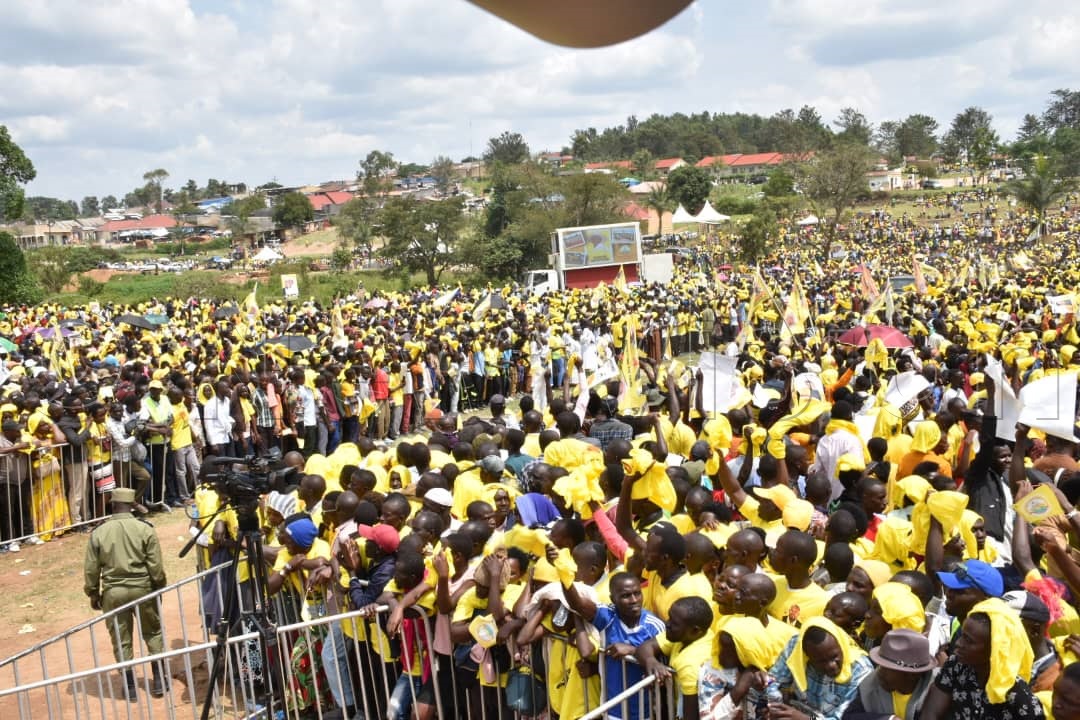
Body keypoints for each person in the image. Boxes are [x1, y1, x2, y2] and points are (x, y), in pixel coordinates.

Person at [82, 487, 167, 700]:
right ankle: (158, 680)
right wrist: (159, 587)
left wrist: (93, 593)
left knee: (121, 638)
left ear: (113, 504)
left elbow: (91, 568)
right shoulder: (145, 528)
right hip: (143, 588)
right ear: (132, 506)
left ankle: (129, 686)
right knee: (153, 632)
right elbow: (155, 566)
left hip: (113, 591)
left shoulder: (99, 532)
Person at [921, 599, 1044, 720]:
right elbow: (931, 713)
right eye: (962, 636)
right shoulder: (956, 665)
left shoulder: (1017, 695)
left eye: (969, 641)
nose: (958, 643)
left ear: (994, 649)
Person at [768, 616, 874, 720]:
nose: (831, 665)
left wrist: (805, 718)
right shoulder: (797, 647)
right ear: (807, 656)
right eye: (821, 661)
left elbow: (845, 718)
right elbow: (773, 681)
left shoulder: (860, 669)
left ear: (841, 645)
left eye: (834, 656)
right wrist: (776, 706)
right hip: (797, 710)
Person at [843, 629, 938, 720]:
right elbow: (848, 716)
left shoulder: (937, 692)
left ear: (913, 675)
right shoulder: (871, 685)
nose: (879, 672)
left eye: (887, 668)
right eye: (880, 665)